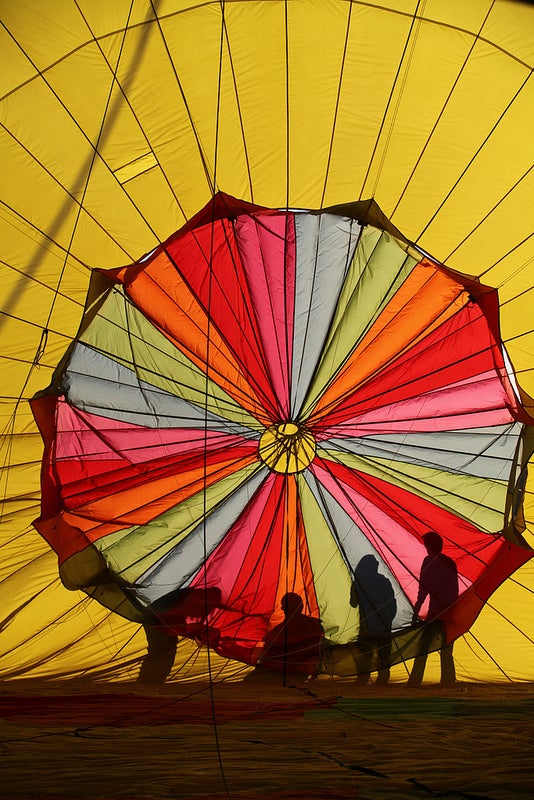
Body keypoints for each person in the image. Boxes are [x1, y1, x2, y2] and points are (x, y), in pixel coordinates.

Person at [408, 531, 458, 687]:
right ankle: (448, 681)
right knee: (446, 649)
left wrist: (415, 612)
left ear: (430, 546)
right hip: (450, 612)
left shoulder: (429, 561)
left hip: (435, 614)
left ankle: (415, 682)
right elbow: (454, 590)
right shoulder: (450, 563)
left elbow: (423, 591)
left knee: (422, 649)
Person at [350, 554, 396, 685]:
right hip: (383, 625)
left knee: (365, 656)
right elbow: (393, 603)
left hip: (366, 626)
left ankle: (363, 679)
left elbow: (353, 603)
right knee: (384, 656)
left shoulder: (357, 583)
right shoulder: (384, 581)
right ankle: (383, 680)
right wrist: (388, 618)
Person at [260, 592, 324, 676]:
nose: (282, 608)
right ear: (301, 606)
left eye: (283, 606)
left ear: (284, 608)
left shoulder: (311, 624)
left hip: (302, 662)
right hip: (301, 663)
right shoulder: (312, 624)